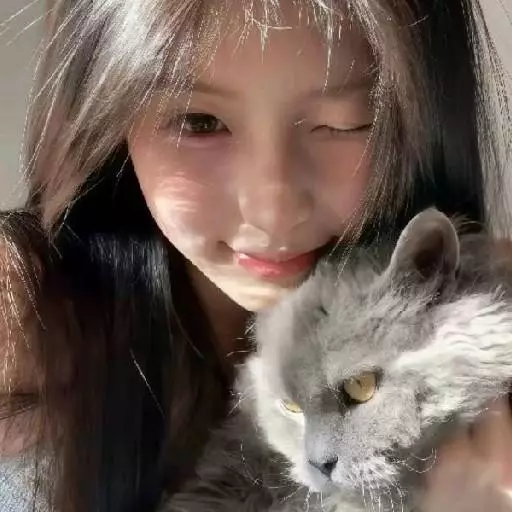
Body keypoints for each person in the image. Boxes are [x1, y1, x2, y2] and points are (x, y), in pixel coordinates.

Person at [0, 0, 511, 511]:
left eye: (343, 122)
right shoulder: (20, 339)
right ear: (107, 119)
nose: (271, 213)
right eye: (199, 122)